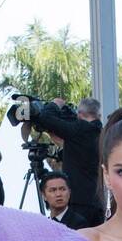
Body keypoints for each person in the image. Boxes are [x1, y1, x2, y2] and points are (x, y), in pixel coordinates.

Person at [27, 96, 103, 224]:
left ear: (79, 114)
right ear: (98, 115)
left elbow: (46, 119)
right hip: (96, 201)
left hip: (77, 202)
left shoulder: (78, 129)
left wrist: (55, 104)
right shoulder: (101, 133)